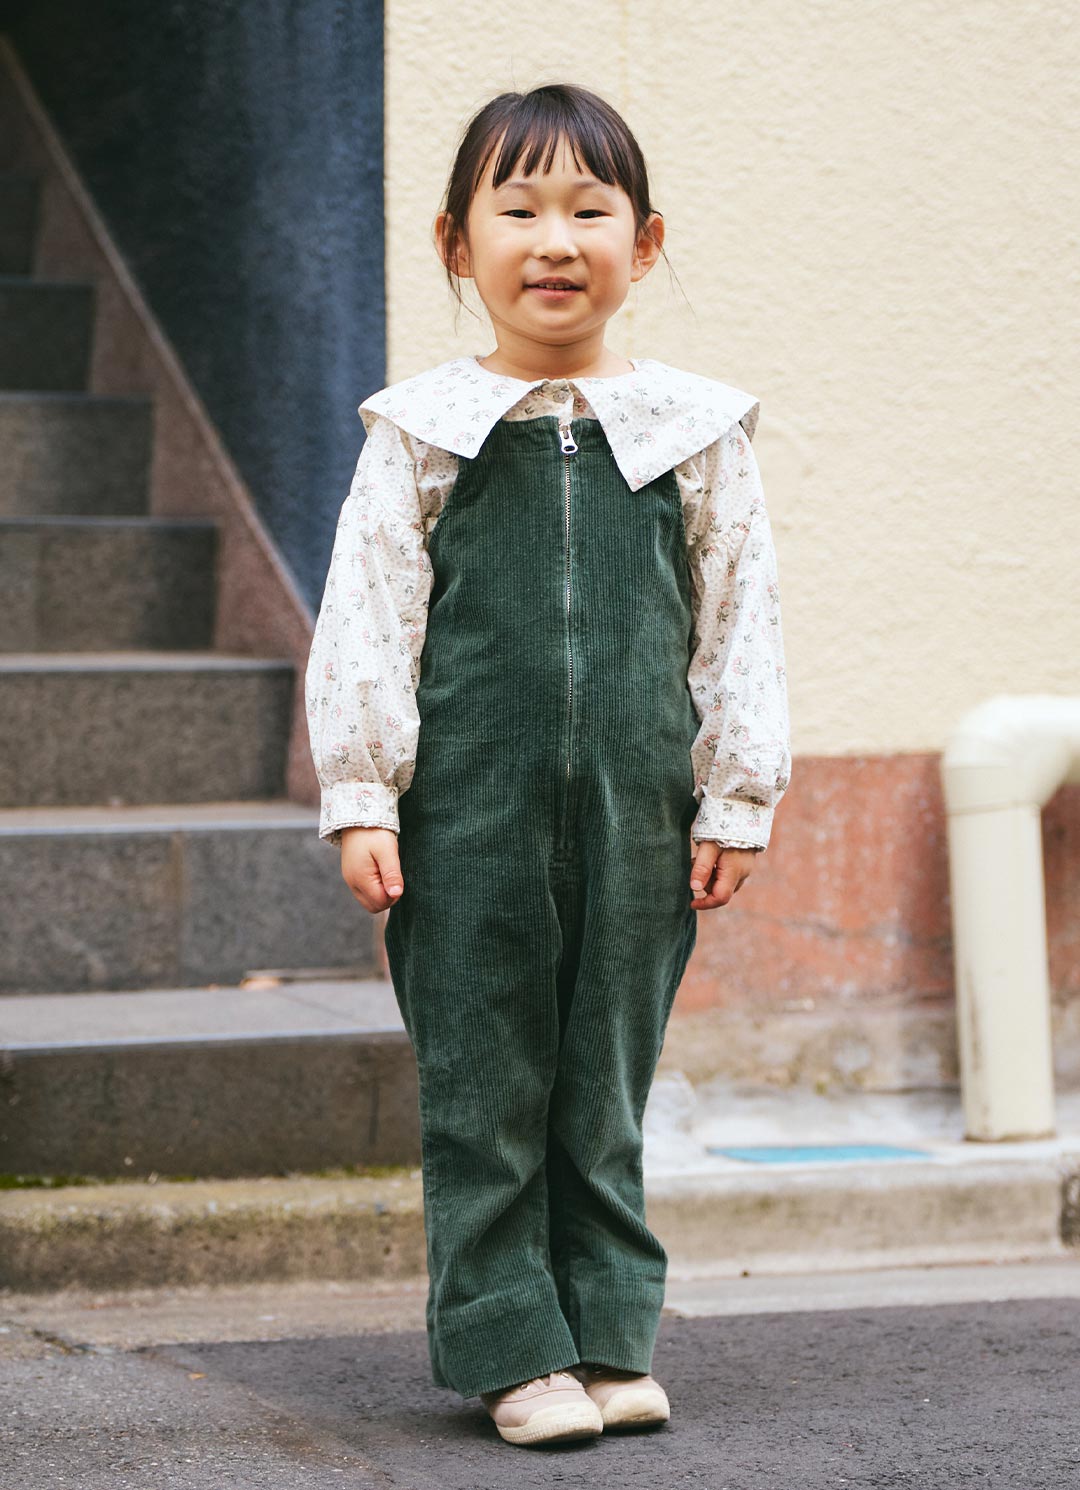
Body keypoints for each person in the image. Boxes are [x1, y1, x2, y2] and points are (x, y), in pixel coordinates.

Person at [305, 81, 792, 1449]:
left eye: (590, 209)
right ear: (458, 244)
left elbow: (741, 616)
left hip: (641, 807)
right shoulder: (422, 431)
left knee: (605, 1078)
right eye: (518, 209)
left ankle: (609, 1332)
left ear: (646, 241)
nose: (556, 240)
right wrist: (362, 795)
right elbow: (368, 617)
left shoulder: (695, 432)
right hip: (464, 812)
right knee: (486, 1081)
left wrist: (736, 791)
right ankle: (511, 1345)